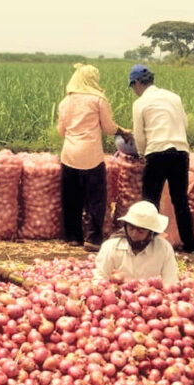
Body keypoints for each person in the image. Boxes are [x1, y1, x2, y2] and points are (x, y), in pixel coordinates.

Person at [56, 64, 130, 252]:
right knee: (95, 198)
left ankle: (73, 237)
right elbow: (108, 127)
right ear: (92, 79)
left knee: (71, 197)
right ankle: (93, 238)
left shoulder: (66, 101)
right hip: (91, 155)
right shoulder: (98, 99)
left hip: (69, 154)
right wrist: (123, 131)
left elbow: (61, 131)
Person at [128, 64, 194, 253]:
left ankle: (149, 243)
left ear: (136, 83)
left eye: (133, 86)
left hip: (157, 152)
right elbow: (184, 123)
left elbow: (139, 135)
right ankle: (191, 245)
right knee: (180, 200)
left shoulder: (140, 103)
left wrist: (142, 154)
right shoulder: (174, 97)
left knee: (150, 200)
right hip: (180, 152)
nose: (134, 90)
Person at [93, 201, 180, 286]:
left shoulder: (164, 249)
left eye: (140, 231)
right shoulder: (111, 247)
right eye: (131, 228)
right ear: (125, 226)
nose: (134, 234)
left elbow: (170, 283)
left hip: (151, 299)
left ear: (150, 232)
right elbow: (100, 279)